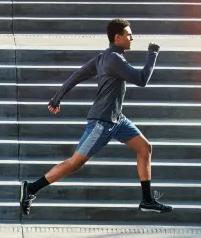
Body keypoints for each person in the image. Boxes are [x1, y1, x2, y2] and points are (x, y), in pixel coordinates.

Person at [21, 18, 172, 216]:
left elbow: (77, 75)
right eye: (128, 34)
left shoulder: (104, 57)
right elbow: (141, 79)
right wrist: (153, 53)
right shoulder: (113, 59)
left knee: (144, 148)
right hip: (101, 123)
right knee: (75, 162)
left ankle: (147, 200)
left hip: (118, 120)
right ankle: (31, 189)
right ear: (117, 37)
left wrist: (57, 98)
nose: (132, 38)